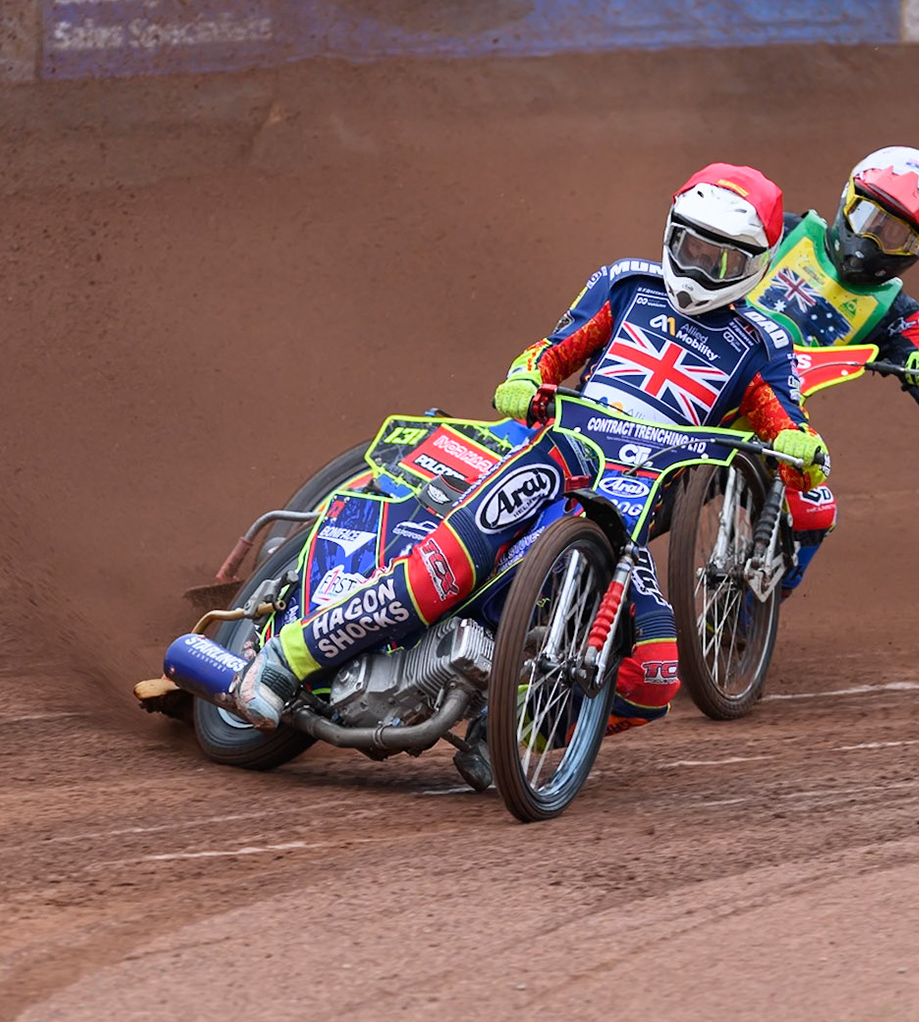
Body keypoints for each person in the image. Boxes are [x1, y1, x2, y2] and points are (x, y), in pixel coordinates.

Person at [231, 163, 827, 740]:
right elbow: (555, 348)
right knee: (452, 562)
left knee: (654, 676)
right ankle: (288, 661)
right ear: (671, 233)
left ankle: (516, 733)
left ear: (755, 265)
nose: (698, 265)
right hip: (561, 454)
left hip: (631, 511)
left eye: (720, 257)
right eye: (689, 244)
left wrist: (800, 444)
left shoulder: (763, 340)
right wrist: (526, 376)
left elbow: (784, 418)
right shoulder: (627, 283)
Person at [747, 146, 919, 596]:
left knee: (813, 509)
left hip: (775, 419)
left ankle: (745, 619)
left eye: (895, 236)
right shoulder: (782, 232)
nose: (872, 240)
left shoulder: (895, 311)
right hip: (694, 373)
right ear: (847, 202)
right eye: (868, 218)